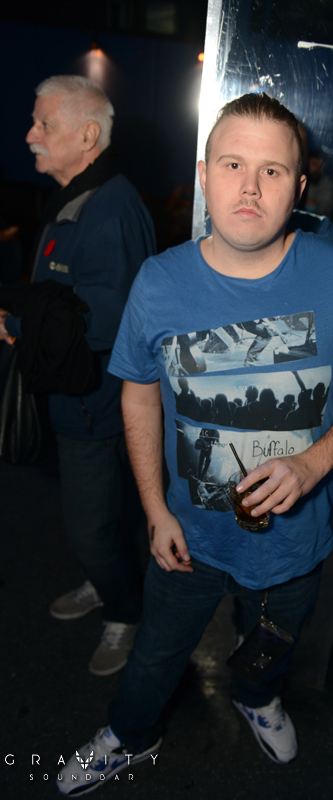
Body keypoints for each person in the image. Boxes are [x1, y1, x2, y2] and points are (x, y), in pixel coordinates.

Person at [57, 92, 333, 794]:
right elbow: (138, 393)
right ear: (204, 174)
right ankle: (131, 733)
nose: (250, 187)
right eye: (233, 164)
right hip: (187, 535)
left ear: (299, 187)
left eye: (271, 171)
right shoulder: (159, 281)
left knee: (270, 645)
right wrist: (154, 509)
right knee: (155, 654)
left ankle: (256, 699)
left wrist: (313, 462)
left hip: (293, 542)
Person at [0, 75, 156, 675]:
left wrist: (20, 323)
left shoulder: (111, 210)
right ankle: (104, 578)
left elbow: (108, 319)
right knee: (98, 520)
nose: (30, 135)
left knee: (89, 528)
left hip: (95, 405)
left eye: (45, 125)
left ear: (88, 136)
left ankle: (125, 612)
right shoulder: (77, 197)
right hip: (76, 398)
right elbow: (62, 293)